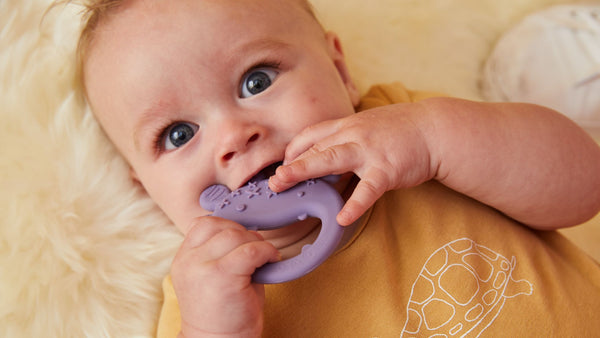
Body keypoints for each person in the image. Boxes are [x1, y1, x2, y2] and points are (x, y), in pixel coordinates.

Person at [73, 0, 600, 336]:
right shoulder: (202, 296)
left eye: (257, 80)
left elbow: (585, 183)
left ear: (341, 71)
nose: (235, 137)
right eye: (179, 134)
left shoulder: (409, 127)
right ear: (144, 189)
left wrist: (433, 139)